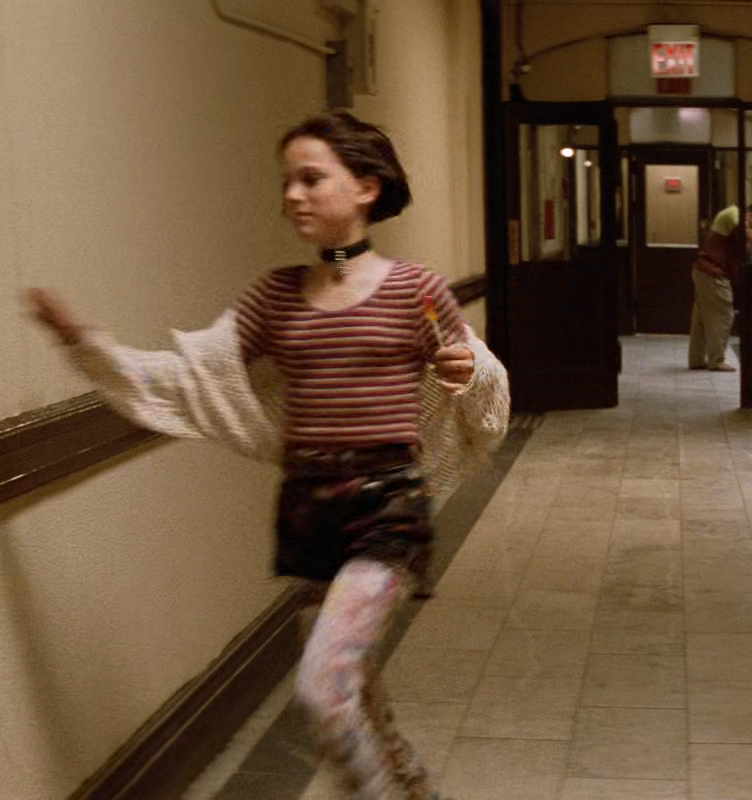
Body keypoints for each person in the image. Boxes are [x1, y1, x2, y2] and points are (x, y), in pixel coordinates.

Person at [26, 112, 501, 800]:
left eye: (311, 178)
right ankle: (410, 780)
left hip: (388, 509)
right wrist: (88, 344)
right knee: (354, 682)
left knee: (323, 688)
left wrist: (464, 372)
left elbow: (470, 368)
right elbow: (191, 375)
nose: (293, 195)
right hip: (309, 510)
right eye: (287, 183)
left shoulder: (415, 290)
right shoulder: (274, 297)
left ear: (366, 187)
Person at [688, 202, 752, 371]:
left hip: (704, 270)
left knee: (702, 319)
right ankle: (717, 360)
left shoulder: (732, 222)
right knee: (723, 315)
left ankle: (696, 359)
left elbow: (747, 245)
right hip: (713, 271)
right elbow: (749, 234)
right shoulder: (733, 213)